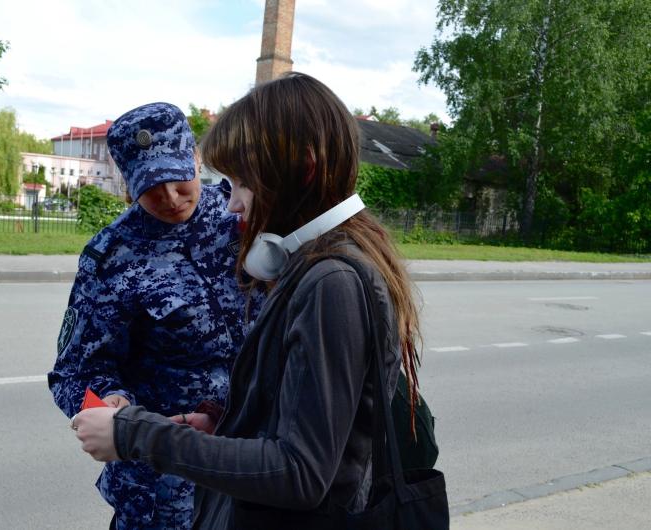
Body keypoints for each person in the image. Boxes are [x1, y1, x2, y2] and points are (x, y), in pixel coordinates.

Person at [71, 73, 424, 529]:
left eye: (242, 183)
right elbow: (296, 411)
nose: (233, 204)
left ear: (304, 170)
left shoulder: (330, 282)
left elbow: (300, 472)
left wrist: (138, 433)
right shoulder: (313, 266)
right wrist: (227, 423)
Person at [48, 102, 258, 529]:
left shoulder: (239, 216)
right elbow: (74, 372)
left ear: (195, 159)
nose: (169, 198)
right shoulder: (111, 257)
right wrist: (108, 401)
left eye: (178, 179)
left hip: (250, 455)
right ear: (128, 184)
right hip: (162, 483)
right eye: (150, 186)